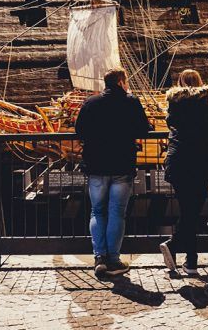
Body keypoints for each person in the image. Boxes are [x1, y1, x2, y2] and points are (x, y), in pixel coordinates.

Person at [75, 68, 150, 278]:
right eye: (126, 81)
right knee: (117, 212)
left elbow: (79, 130)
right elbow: (144, 130)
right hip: (122, 165)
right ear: (120, 82)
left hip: (96, 165)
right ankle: (114, 259)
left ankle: (99, 257)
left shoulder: (91, 103)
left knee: (97, 211)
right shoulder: (131, 102)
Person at [159, 69, 208, 276]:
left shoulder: (174, 101)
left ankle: (184, 253)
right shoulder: (206, 101)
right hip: (201, 159)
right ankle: (186, 257)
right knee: (193, 211)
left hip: (179, 160)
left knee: (188, 210)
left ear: (180, 82)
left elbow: (170, 123)